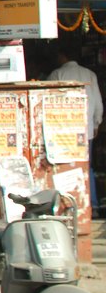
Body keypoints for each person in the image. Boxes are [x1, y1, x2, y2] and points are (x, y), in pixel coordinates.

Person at [48, 50, 105, 207]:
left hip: (62, 131)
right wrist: (96, 124)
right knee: (87, 166)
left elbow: (46, 102)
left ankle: (69, 205)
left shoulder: (57, 74)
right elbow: (98, 103)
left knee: (64, 165)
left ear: (62, 56)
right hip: (86, 131)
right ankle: (91, 204)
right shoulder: (90, 74)